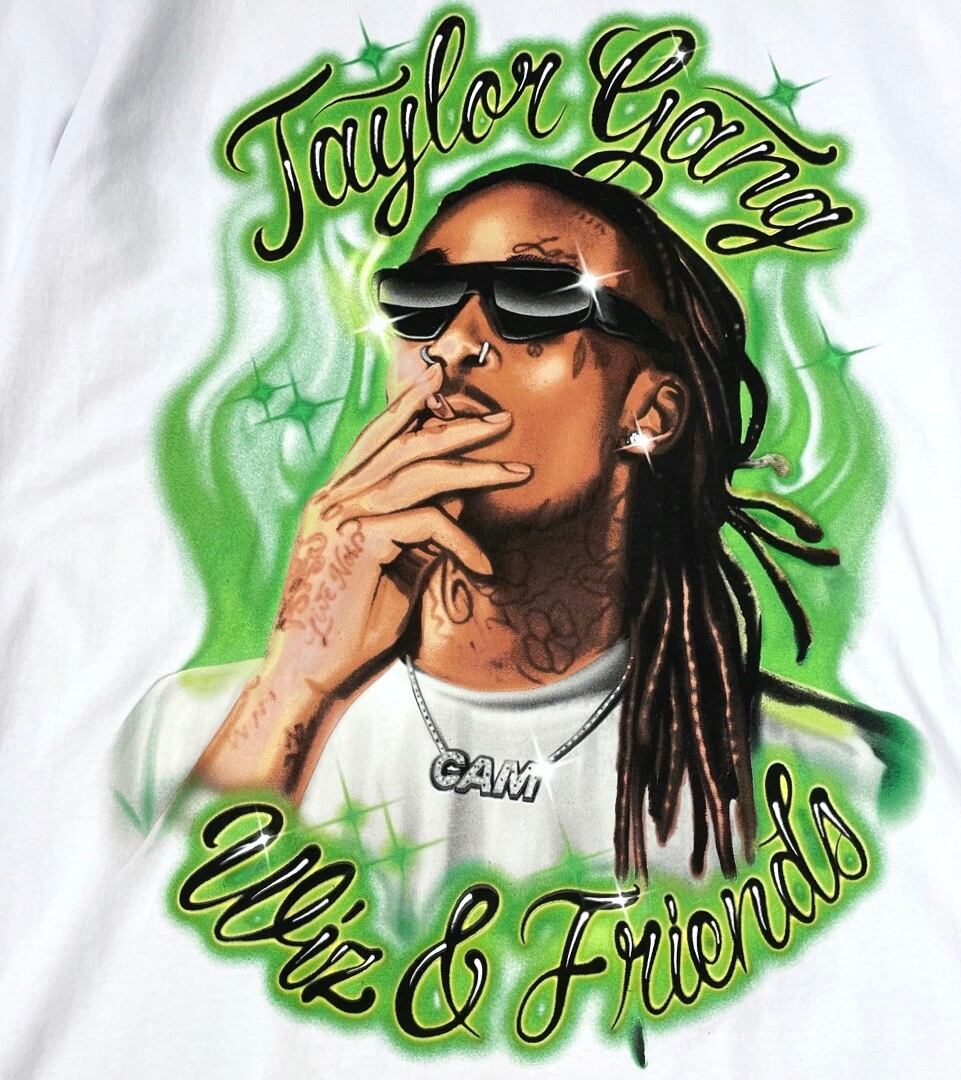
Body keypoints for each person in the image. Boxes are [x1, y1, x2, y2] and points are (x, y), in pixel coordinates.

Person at [117, 163, 904, 889]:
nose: (452, 344)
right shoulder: (188, 736)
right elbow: (173, 957)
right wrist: (299, 681)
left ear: (651, 414)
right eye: (421, 301)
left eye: (533, 301)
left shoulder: (830, 780)